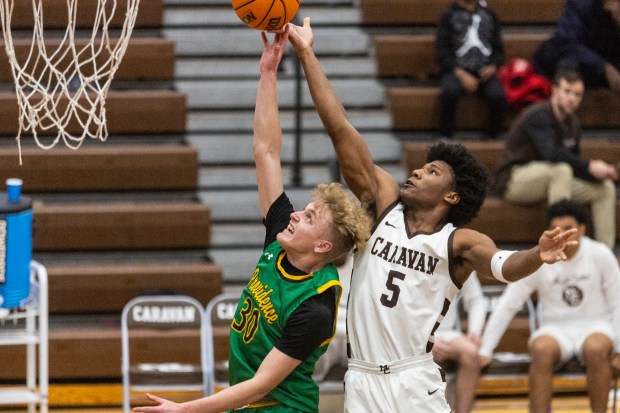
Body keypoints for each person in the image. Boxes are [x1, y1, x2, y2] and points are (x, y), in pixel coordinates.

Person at [287, 17, 578, 413]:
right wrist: (306, 54)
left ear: (452, 195)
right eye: (423, 166)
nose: (418, 171)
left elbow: (504, 267)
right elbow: (339, 128)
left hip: (413, 380)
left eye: (433, 172)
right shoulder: (383, 202)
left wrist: (537, 255)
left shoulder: (458, 241)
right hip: (361, 379)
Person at [133, 26, 372, 413]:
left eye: (309, 217)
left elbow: (259, 385)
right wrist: (268, 74)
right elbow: (266, 152)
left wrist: (183, 409)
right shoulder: (280, 241)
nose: (295, 215)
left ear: (323, 246)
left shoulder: (315, 308)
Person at [479, 199, 620, 413]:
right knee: (540, 348)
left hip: (595, 324)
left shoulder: (600, 254)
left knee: (596, 348)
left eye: (568, 229)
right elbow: (509, 303)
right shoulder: (540, 258)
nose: (562, 234)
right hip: (556, 327)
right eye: (556, 229)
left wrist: (619, 348)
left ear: (582, 229)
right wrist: (485, 348)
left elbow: (618, 302)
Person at [494, 67, 618, 249]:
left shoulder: (573, 123)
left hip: (552, 179)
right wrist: (591, 166)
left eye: (577, 94)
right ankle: (559, 246)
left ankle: (605, 255)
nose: (572, 98)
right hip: (514, 180)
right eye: (567, 91)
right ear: (554, 90)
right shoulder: (537, 115)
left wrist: (603, 173)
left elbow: (574, 163)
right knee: (562, 170)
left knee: (604, 188)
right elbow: (552, 154)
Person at [435, 0, 507, 140]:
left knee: (497, 95)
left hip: (484, 71)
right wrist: (460, 73)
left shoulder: (489, 14)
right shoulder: (448, 16)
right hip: (456, 70)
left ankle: (492, 138)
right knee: (449, 92)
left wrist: (493, 66)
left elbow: (498, 49)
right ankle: (445, 136)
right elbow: (442, 52)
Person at [533, 0, 620, 94]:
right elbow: (566, 41)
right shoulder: (582, 3)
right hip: (587, 64)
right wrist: (603, 67)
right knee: (560, 58)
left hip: (613, 62)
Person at [432, 273, 486, 413]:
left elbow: (476, 300)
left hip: (446, 331)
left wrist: (474, 331)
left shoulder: (460, 256)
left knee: (471, 354)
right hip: (412, 335)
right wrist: (426, 342)